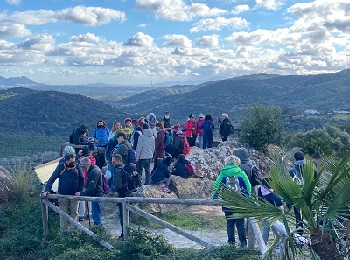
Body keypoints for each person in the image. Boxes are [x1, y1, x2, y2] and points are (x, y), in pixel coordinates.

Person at [211, 155, 251, 247]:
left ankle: (231, 243)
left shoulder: (223, 173)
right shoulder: (240, 172)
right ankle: (243, 243)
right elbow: (247, 186)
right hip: (239, 203)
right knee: (240, 224)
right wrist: (247, 198)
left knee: (230, 224)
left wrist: (214, 197)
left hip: (227, 203)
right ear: (237, 163)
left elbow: (217, 185)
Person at [42, 153, 84, 229]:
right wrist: (47, 190)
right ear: (67, 161)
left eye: (74, 161)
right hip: (62, 195)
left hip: (75, 195)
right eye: (71, 162)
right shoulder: (61, 167)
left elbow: (82, 179)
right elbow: (52, 178)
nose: (73, 163)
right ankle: (63, 232)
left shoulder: (77, 167)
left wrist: (80, 191)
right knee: (62, 214)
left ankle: (74, 231)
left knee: (74, 213)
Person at [257, 178, 283, 245]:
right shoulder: (273, 192)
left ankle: (263, 244)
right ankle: (277, 245)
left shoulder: (260, 190)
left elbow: (259, 200)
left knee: (265, 229)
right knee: (275, 229)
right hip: (273, 213)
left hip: (264, 212)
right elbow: (279, 204)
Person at [80, 157, 103, 226]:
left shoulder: (94, 172)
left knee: (96, 212)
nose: (82, 168)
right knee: (95, 212)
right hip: (96, 193)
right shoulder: (92, 169)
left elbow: (91, 188)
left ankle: (98, 228)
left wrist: (82, 193)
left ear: (87, 164)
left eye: (83, 166)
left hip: (97, 194)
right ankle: (98, 227)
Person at [111, 154, 126, 240]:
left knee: (123, 216)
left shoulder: (118, 171)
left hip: (122, 195)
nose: (113, 163)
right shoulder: (126, 168)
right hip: (129, 194)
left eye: (114, 162)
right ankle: (127, 233)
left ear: (118, 161)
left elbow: (118, 185)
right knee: (127, 215)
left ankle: (124, 235)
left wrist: (112, 189)